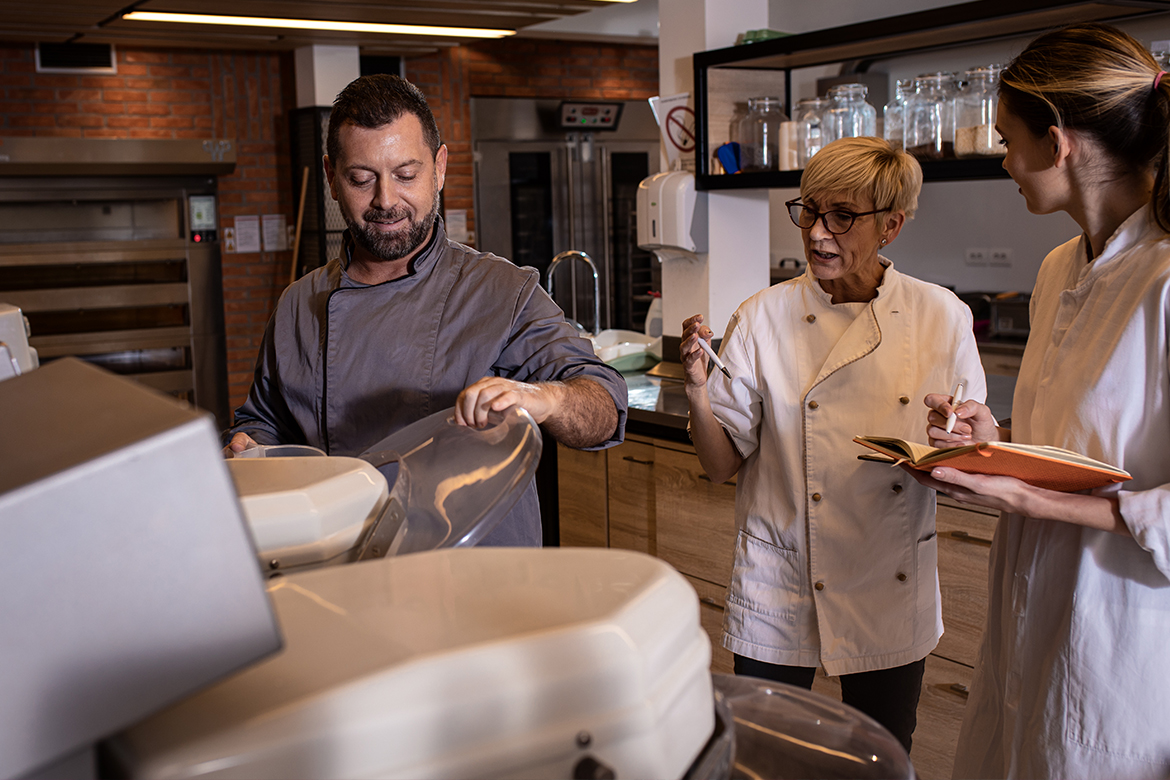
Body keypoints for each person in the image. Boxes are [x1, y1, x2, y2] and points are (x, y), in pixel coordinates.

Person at [910, 23, 1170, 779]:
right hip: (1033, 623)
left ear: (1057, 143)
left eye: (1007, 138)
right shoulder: (1061, 267)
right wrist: (998, 440)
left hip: (1126, 643)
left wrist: (1031, 499)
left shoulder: (1164, 279)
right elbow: (1092, 444)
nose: (1003, 160)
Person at [224, 74, 627, 547]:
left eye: (406, 175)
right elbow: (263, 422)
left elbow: (605, 406)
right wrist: (247, 449)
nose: (386, 200)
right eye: (361, 179)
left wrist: (545, 398)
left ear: (439, 168)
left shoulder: (500, 291)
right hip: (340, 569)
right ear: (332, 177)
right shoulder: (298, 303)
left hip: (475, 585)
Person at [681, 136, 987, 752]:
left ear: (891, 226)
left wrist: (962, 441)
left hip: (885, 576)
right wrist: (696, 391)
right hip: (781, 575)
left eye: (842, 216)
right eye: (810, 211)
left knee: (880, 752)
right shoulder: (763, 316)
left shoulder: (941, 316)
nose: (819, 233)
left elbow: (970, 457)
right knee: (767, 753)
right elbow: (719, 467)